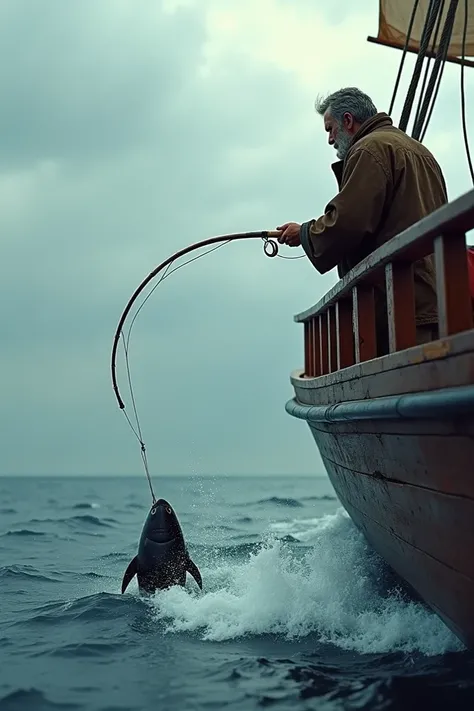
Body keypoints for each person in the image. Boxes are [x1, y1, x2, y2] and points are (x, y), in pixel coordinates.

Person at [276, 87, 448, 355]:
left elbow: (349, 221)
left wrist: (305, 233)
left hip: (399, 304)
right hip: (437, 299)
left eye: (330, 129)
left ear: (347, 121)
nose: (330, 140)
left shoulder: (368, 149)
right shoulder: (421, 152)